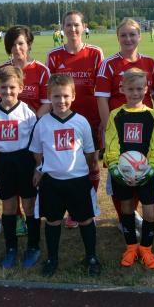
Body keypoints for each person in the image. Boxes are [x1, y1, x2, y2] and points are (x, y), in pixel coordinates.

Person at [29, 73, 102, 277]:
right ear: (49, 97)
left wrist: (83, 170)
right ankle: (52, 258)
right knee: (52, 221)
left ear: (73, 96)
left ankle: (91, 256)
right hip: (52, 183)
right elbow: (36, 151)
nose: (61, 101)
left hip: (78, 181)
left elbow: (89, 153)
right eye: (56, 97)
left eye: (65, 96)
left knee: (86, 220)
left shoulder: (81, 122)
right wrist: (41, 167)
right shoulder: (42, 123)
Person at [95, 19, 154, 231]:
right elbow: (102, 99)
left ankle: (132, 212)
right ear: (118, 38)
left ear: (140, 36)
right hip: (119, 130)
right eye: (123, 35)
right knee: (120, 173)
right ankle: (126, 218)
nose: (128, 39)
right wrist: (109, 130)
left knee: (139, 168)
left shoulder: (150, 63)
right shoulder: (109, 64)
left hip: (145, 129)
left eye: (132, 34)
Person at [0, 25, 52, 236]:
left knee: (29, 181)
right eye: (13, 44)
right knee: (8, 180)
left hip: (32, 130)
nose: (17, 48)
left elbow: (47, 103)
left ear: (29, 44)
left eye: (21, 43)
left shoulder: (41, 70)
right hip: (7, 136)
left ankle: (35, 219)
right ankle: (15, 219)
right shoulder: (1, 71)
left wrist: (31, 123)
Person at [47, 11, 104, 229]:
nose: (72, 29)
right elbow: (51, 90)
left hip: (89, 119)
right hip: (62, 120)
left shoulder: (95, 53)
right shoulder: (54, 56)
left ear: (84, 27)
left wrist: (100, 120)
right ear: (63, 28)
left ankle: (87, 206)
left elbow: (101, 90)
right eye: (68, 25)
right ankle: (72, 210)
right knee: (68, 164)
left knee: (91, 164)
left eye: (76, 25)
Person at [104, 69, 154, 270]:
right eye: (130, 89)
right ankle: (131, 247)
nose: (135, 93)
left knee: (150, 212)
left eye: (139, 88)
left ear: (146, 89)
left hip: (146, 173)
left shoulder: (152, 116)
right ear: (122, 89)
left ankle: (146, 248)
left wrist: (151, 168)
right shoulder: (116, 115)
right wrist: (114, 168)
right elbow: (111, 143)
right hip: (122, 173)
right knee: (126, 208)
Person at [0, 66, 40, 269]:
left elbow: (36, 146)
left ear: (21, 87)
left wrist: (37, 169)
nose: (8, 92)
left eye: (12, 87)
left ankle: (33, 246)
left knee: (29, 206)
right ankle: (11, 248)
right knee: (9, 208)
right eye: (3, 87)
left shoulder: (28, 114)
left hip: (24, 162)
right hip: (2, 163)